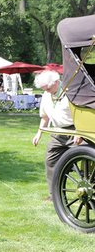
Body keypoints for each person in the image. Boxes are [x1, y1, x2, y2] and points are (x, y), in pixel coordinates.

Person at [32, 70, 81, 200]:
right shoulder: (46, 95)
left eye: (47, 88)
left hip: (75, 130)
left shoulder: (70, 92)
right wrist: (39, 133)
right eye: (44, 89)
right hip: (58, 132)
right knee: (51, 160)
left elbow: (81, 114)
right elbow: (45, 117)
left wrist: (79, 132)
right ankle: (54, 196)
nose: (46, 91)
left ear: (56, 82)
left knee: (87, 159)